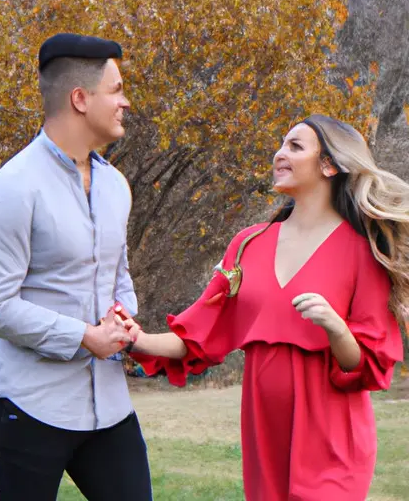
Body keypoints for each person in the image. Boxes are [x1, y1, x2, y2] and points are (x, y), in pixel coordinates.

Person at [123, 115, 408, 500]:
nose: (279, 154)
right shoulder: (248, 244)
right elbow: (198, 336)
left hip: (332, 439)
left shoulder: (362, 249)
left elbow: (366, 365)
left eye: (295, 146)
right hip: (265, 435)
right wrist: (135, 338)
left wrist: (336, 327)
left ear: (328, 165)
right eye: (281, 144)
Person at [0, 33, 152, 501]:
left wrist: (121, 317)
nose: (125, 102)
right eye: (116, 90)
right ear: (80, 99)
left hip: (109, 411)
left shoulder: (116, 186)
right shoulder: (10, 191)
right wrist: (82, 337)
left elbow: (118, 272)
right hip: (31, 410)